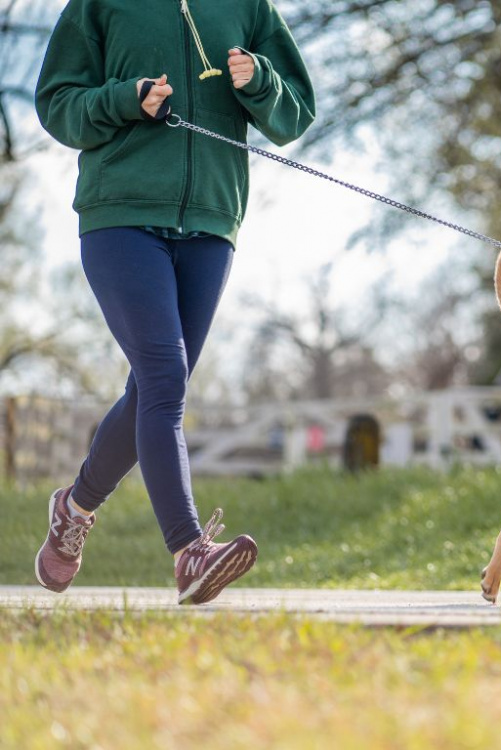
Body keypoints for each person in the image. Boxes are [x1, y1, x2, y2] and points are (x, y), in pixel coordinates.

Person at [33, 0, 315, 604]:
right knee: (165, 378)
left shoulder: (247, 7)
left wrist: (260, 80)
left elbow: (294, 115)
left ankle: (74, 508)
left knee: (152, 388)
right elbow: (57, 105)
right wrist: (122, 99)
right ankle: (190, 551)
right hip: (121, 218)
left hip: (212, 223)